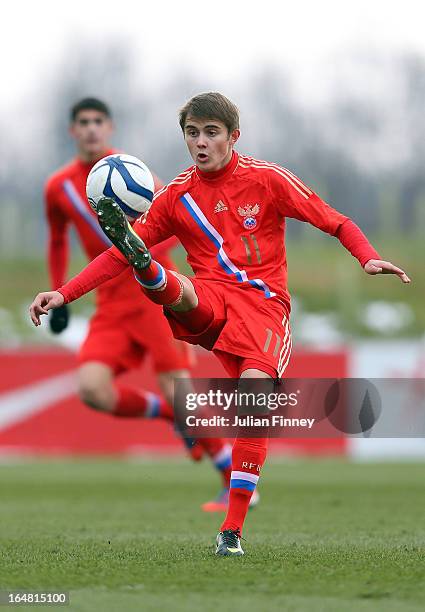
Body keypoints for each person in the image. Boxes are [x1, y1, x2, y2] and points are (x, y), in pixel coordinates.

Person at [31, 92, 410, 556]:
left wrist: (368, 258)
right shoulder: (175, 196)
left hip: (266, 309)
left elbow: (334, 220)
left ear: (233, 136)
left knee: (252, 406)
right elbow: (111, 258)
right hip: (210, 298)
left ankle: (231, 531)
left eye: (211, 132)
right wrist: (63, 292)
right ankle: (150, 269)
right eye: (192, 133)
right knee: (176, 286)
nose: (201, 142)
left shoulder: (267, 180)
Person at [43, 96, 234, 510]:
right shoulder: (57, 187)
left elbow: (172, 227)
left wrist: (138, 242)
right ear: (72, 130)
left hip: (154, 292)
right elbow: (58, 241)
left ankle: (233, 481)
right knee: (93, 389)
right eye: (83, 122)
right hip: (110, 299)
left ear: (109, 128)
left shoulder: (133, 173)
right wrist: (60, 293)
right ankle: (167, 416)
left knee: (179, 391)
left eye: (99, 121)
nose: (91, 128)